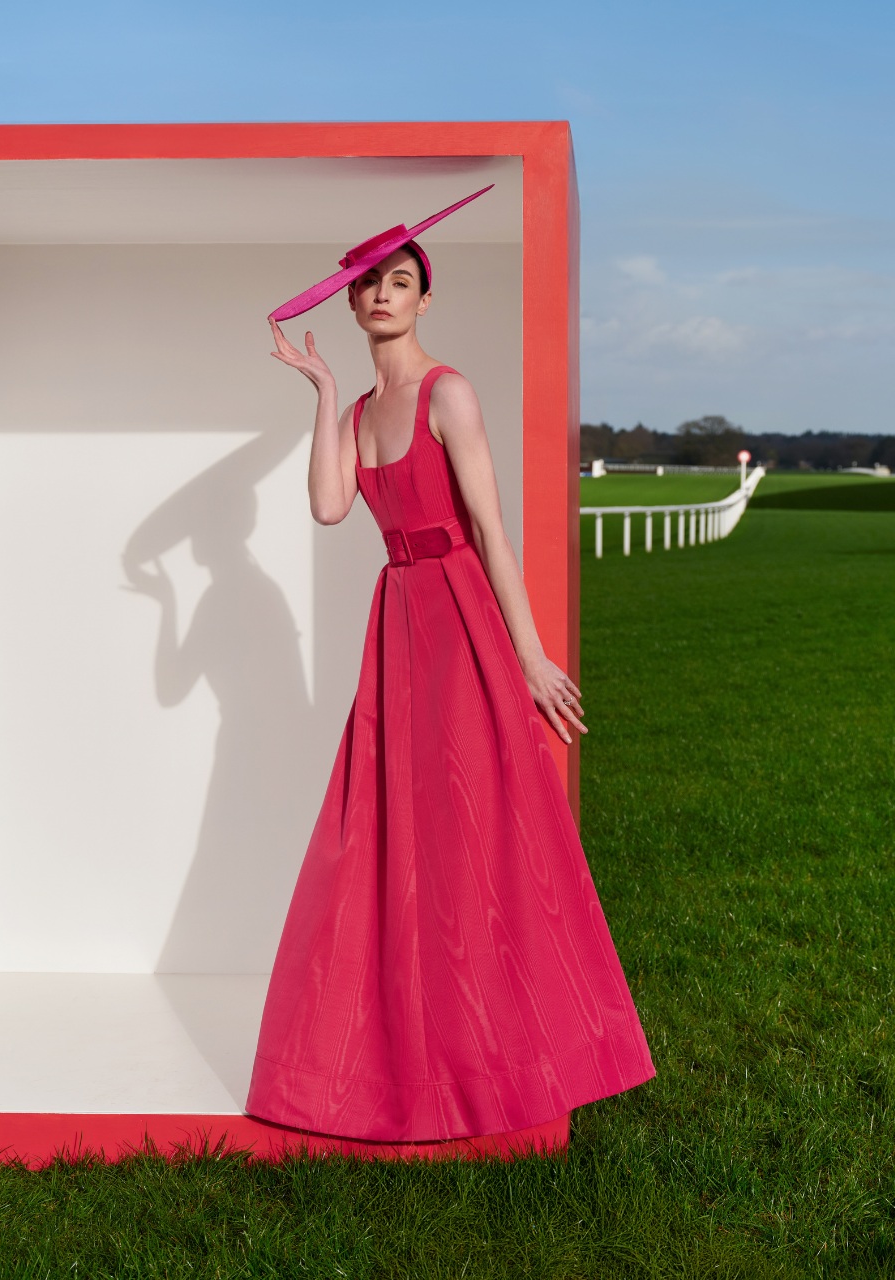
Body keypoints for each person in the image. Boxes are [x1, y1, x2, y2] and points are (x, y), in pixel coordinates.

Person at [247, 189, 655, 1144]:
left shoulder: (449, 392)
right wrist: (317, 396)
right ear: (351, 308)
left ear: (423, 299)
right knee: (390, 831)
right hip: (397, 620)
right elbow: (328, 508)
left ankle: (523, 1058)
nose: (385, 296)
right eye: (370, 286)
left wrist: (531, 655)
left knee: (483, 826)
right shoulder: (355, 407)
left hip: (461, 613)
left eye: (401, 281)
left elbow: (490, 532)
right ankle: (410, 1062)